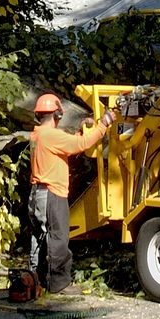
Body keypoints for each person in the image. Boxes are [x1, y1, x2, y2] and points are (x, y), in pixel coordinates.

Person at [28, 92, 116, 295]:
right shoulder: (51, 135)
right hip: (52, 193)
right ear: (57, 114)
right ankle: (59, 284)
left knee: (40, 237)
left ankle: (36, 278)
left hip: (39, 193)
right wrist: (103, 124)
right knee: (58, 238)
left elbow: (68, 146)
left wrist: (79, 131)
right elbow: (81, 145)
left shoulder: (38, 134)